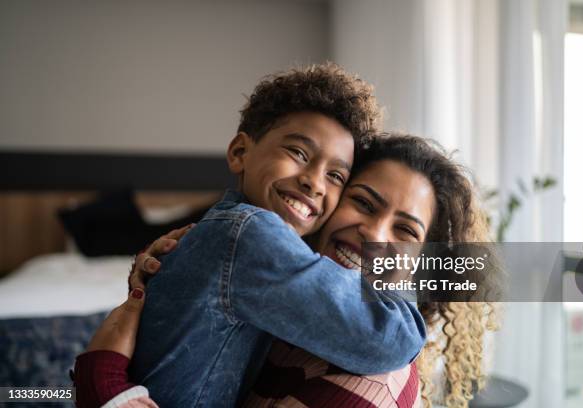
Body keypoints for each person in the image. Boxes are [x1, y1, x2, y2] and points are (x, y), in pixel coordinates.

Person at [74, 65, 428, 408]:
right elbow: (389, 338)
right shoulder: (252, 235)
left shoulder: (240, 235)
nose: (314, 182)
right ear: (239, 152)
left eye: (336, 176)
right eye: (299, 153)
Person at [75, 134, 499, 408]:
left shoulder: (375, 375)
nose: (373, 233)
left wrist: (104, 382)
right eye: (363, 203)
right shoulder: (266, 304)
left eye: (405, 230)